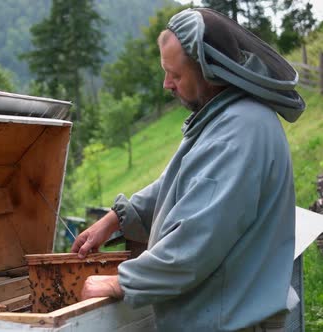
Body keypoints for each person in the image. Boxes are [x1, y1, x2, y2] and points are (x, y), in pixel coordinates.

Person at [71, 7, 305, 332]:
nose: (167, 83)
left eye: (176, 75)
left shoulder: (240, 131)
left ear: (211, 70)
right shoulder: (222, 118)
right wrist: (115, 219)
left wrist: (120, 283)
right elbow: (176, 181)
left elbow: (197, 242)